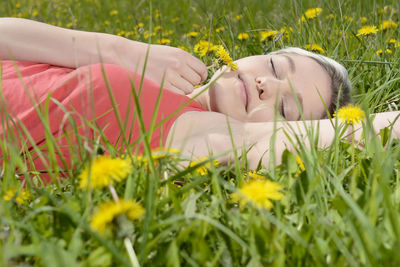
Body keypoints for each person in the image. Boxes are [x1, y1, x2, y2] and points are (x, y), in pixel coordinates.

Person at [1, 18, 399, 175]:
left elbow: (256, 142)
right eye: (275, 68)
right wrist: (120, 48)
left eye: (285, 108)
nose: (266, 85)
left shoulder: (195, 129)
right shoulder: (149, 64)